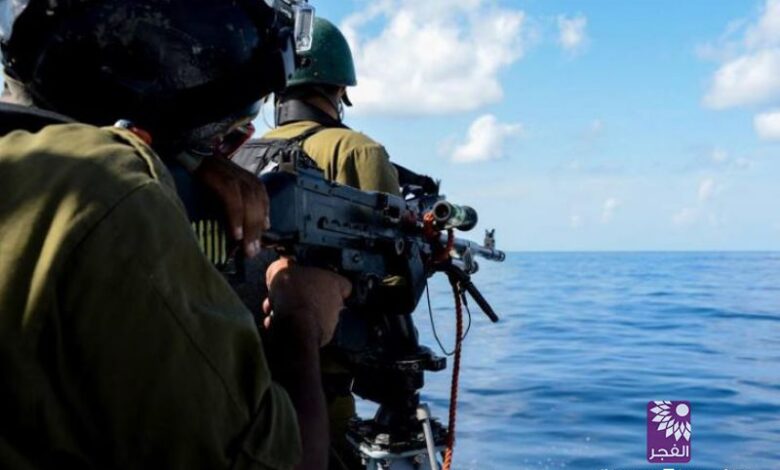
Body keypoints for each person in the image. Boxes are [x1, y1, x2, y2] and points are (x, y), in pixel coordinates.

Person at [0, 1, 348, 469]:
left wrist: (178, 158)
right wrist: (300, 319)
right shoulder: (108, 189)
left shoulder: (28, 157)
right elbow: (282, 461)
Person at [230, 17, 404, 469]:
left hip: (236, 382)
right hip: (318, 396)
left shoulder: (236, 155)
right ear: (340, 88)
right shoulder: (358, 151)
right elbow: (395, 282)